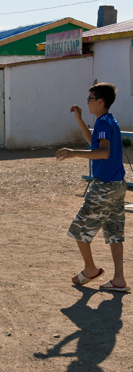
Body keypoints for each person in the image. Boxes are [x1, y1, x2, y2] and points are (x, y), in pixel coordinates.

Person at [56, 83, 129, 292]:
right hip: (118, 185)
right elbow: (94, 145)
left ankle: (90, 269)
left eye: (90, 99)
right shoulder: (107, 121)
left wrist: (73, 152)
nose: (87, 102)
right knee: (114, 232)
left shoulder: (103, 124)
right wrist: (80, 121)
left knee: (78, 229)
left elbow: (103, 152)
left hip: (104, 186)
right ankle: (119, 279)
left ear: (100, 102)